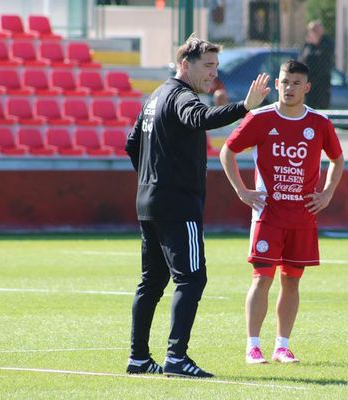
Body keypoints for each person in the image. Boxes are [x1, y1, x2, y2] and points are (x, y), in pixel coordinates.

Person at [125, 35, 270, 378]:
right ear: (185, 64)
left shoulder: (155, 96)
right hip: (177, 205)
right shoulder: (181, 97)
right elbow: (200, 119)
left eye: (216, 67)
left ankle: (138, 358)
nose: (213, 73)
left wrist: (150, 178)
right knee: (192, 279)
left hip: (150, 201)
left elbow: (132, 143)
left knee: (152, 282)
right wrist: (244, 108)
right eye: (207, 66)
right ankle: (176, 358)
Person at [219, 59, 344, 364]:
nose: (289, 88)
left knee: (292, 281)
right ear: (277, 84)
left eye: (296, 83)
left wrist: (327, 193)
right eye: (285, 82)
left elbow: (337, 160)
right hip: (268, 215)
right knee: (262, 278)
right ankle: (252, 346)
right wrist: (241, 190)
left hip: (302, 217)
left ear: (307, 88)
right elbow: (228, 151)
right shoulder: (260, 118)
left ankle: (282, 346)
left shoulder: (319, 123)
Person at [298, 20, 334, 109]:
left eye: (316, 30)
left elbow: (321, 57)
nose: (313, 32)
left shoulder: (327, 43)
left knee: (323, 107)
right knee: (309, 106)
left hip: (322, 82)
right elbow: (303, 59)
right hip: (309, 81)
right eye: (312, 30)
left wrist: (315, 43)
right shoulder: (308, 45)